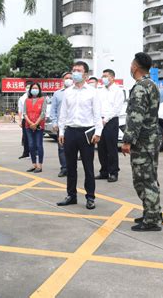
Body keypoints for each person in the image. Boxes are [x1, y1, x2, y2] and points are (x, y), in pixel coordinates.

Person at [122, 52, 163, 232]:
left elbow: (136, 117)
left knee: (144, 180)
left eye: (132, 64)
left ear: (135, 66)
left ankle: (152, 219)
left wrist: (128, 140)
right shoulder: (152, 85)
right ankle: (152, 212)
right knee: (150, 177)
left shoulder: (140, 88)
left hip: (143, 141)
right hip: (152, 139)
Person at [57, 61, 102, 210]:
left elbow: (97, 114)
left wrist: (98, 132)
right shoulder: (68, 91)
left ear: (85, 75)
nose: (74, 73)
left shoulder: (92, 92)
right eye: (73, 70)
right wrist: (62, 131)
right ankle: (71, 195)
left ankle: (90, 197)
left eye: (78, 70)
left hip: (86, 133)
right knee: (70, 167)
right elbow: (63, 113)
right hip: (70, 131)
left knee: (88, 167)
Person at [96, 69, 125, 183]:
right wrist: (99, 119)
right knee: (101, 147)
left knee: (111, 147)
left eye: (106, 76)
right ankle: (104, 171)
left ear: (112, 78)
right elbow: (97, 105)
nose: (103, 78)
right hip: (100, 120)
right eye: (102, 76)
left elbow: (116, 108)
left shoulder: (118, 91)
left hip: (111, 121)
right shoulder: (100, 90)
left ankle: (113, 172)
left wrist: (106, 119)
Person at [50, 72, 73, 177]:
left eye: (70, 78)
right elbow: (53, 110)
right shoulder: (57, 94)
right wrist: (54, 122)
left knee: (73, 148)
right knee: (62, 148)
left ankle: (72, 167)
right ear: (62, 80)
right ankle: (64, 168)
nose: (68, 79)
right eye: (66, 78)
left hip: (73, 125)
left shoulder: (76, 92)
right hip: (61, 125)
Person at [23, 82, 46, 173]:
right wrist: (30, 123)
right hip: (28, 126)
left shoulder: (43, 99)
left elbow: (43, 113)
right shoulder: (27, 100)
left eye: (36, 88)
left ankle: (40, 165)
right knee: (31, 145)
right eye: (33, 88)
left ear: (39, 90)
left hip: (39, 126)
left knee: (39, 145)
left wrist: (35, 124)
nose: (34, 90)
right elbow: (24, 113)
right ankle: (34, 164)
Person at [18, 81, 32, 159]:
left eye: (30, 87)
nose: (28, 89)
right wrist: (20, 120)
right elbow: (20, 110)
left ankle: (35, 152)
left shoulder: (35, 97)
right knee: (25, 136)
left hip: (34, 119)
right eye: (27, 87)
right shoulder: (22, 98)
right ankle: (26, 152)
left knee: (33, 137)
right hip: (25, 120)